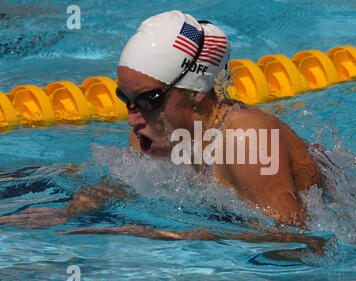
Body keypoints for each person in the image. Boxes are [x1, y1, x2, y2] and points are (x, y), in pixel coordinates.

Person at [0, 11, 326, 252]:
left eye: (149, 100)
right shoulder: (150, 129)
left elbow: (299, 245)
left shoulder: (247, 139)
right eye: (126, 101)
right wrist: (74, 211)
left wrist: (183, 235)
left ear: (196, 91)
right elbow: (129, 184)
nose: (133, 119)